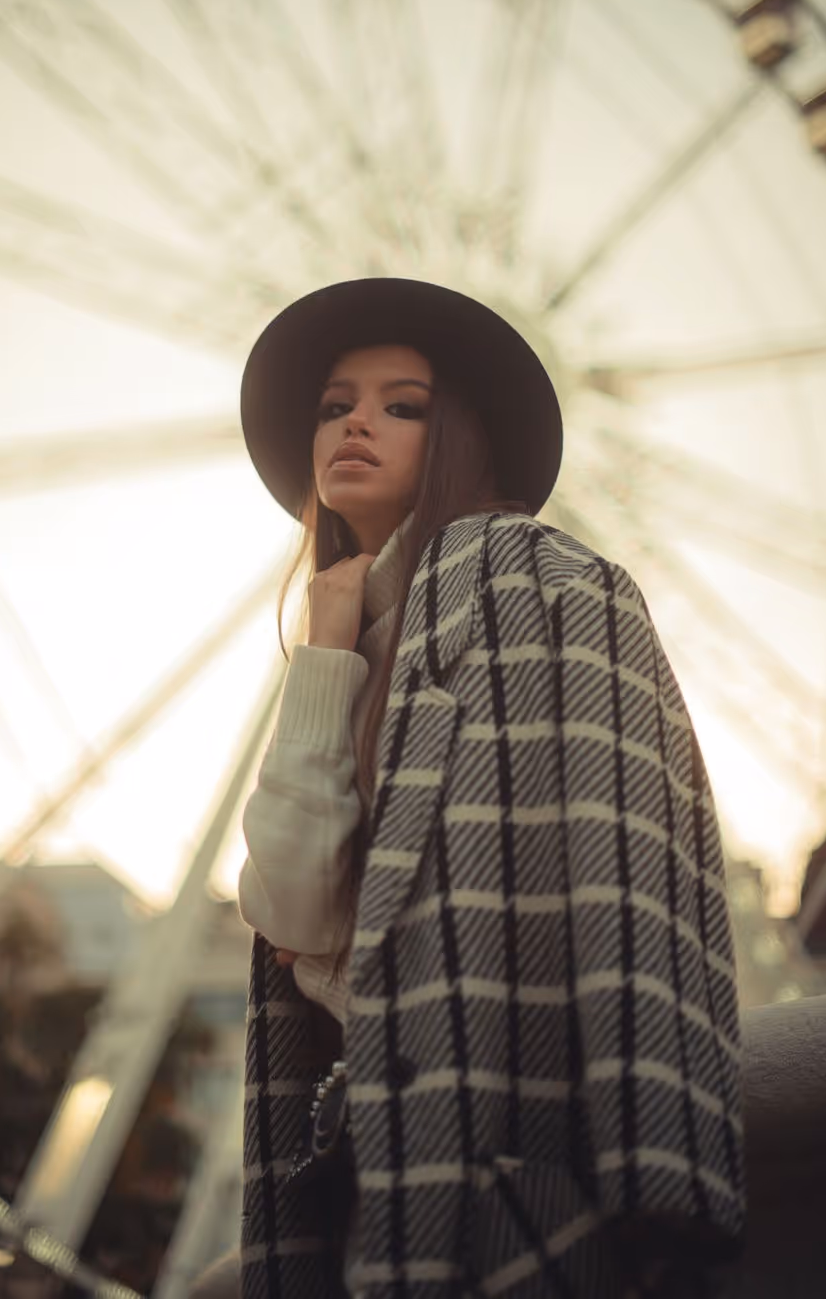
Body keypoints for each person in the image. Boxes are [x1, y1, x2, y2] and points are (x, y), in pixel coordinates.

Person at [232, 277, 746, 1298]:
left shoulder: (548, 583)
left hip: (517, 1150)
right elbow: (288, 909)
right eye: (336, 404)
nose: (356, 423)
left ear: (459, 433)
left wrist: (659, 1169)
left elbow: (631, 866)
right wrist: (325, 655)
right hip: (363, 1154)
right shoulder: (336, 647)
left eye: (401, 404)